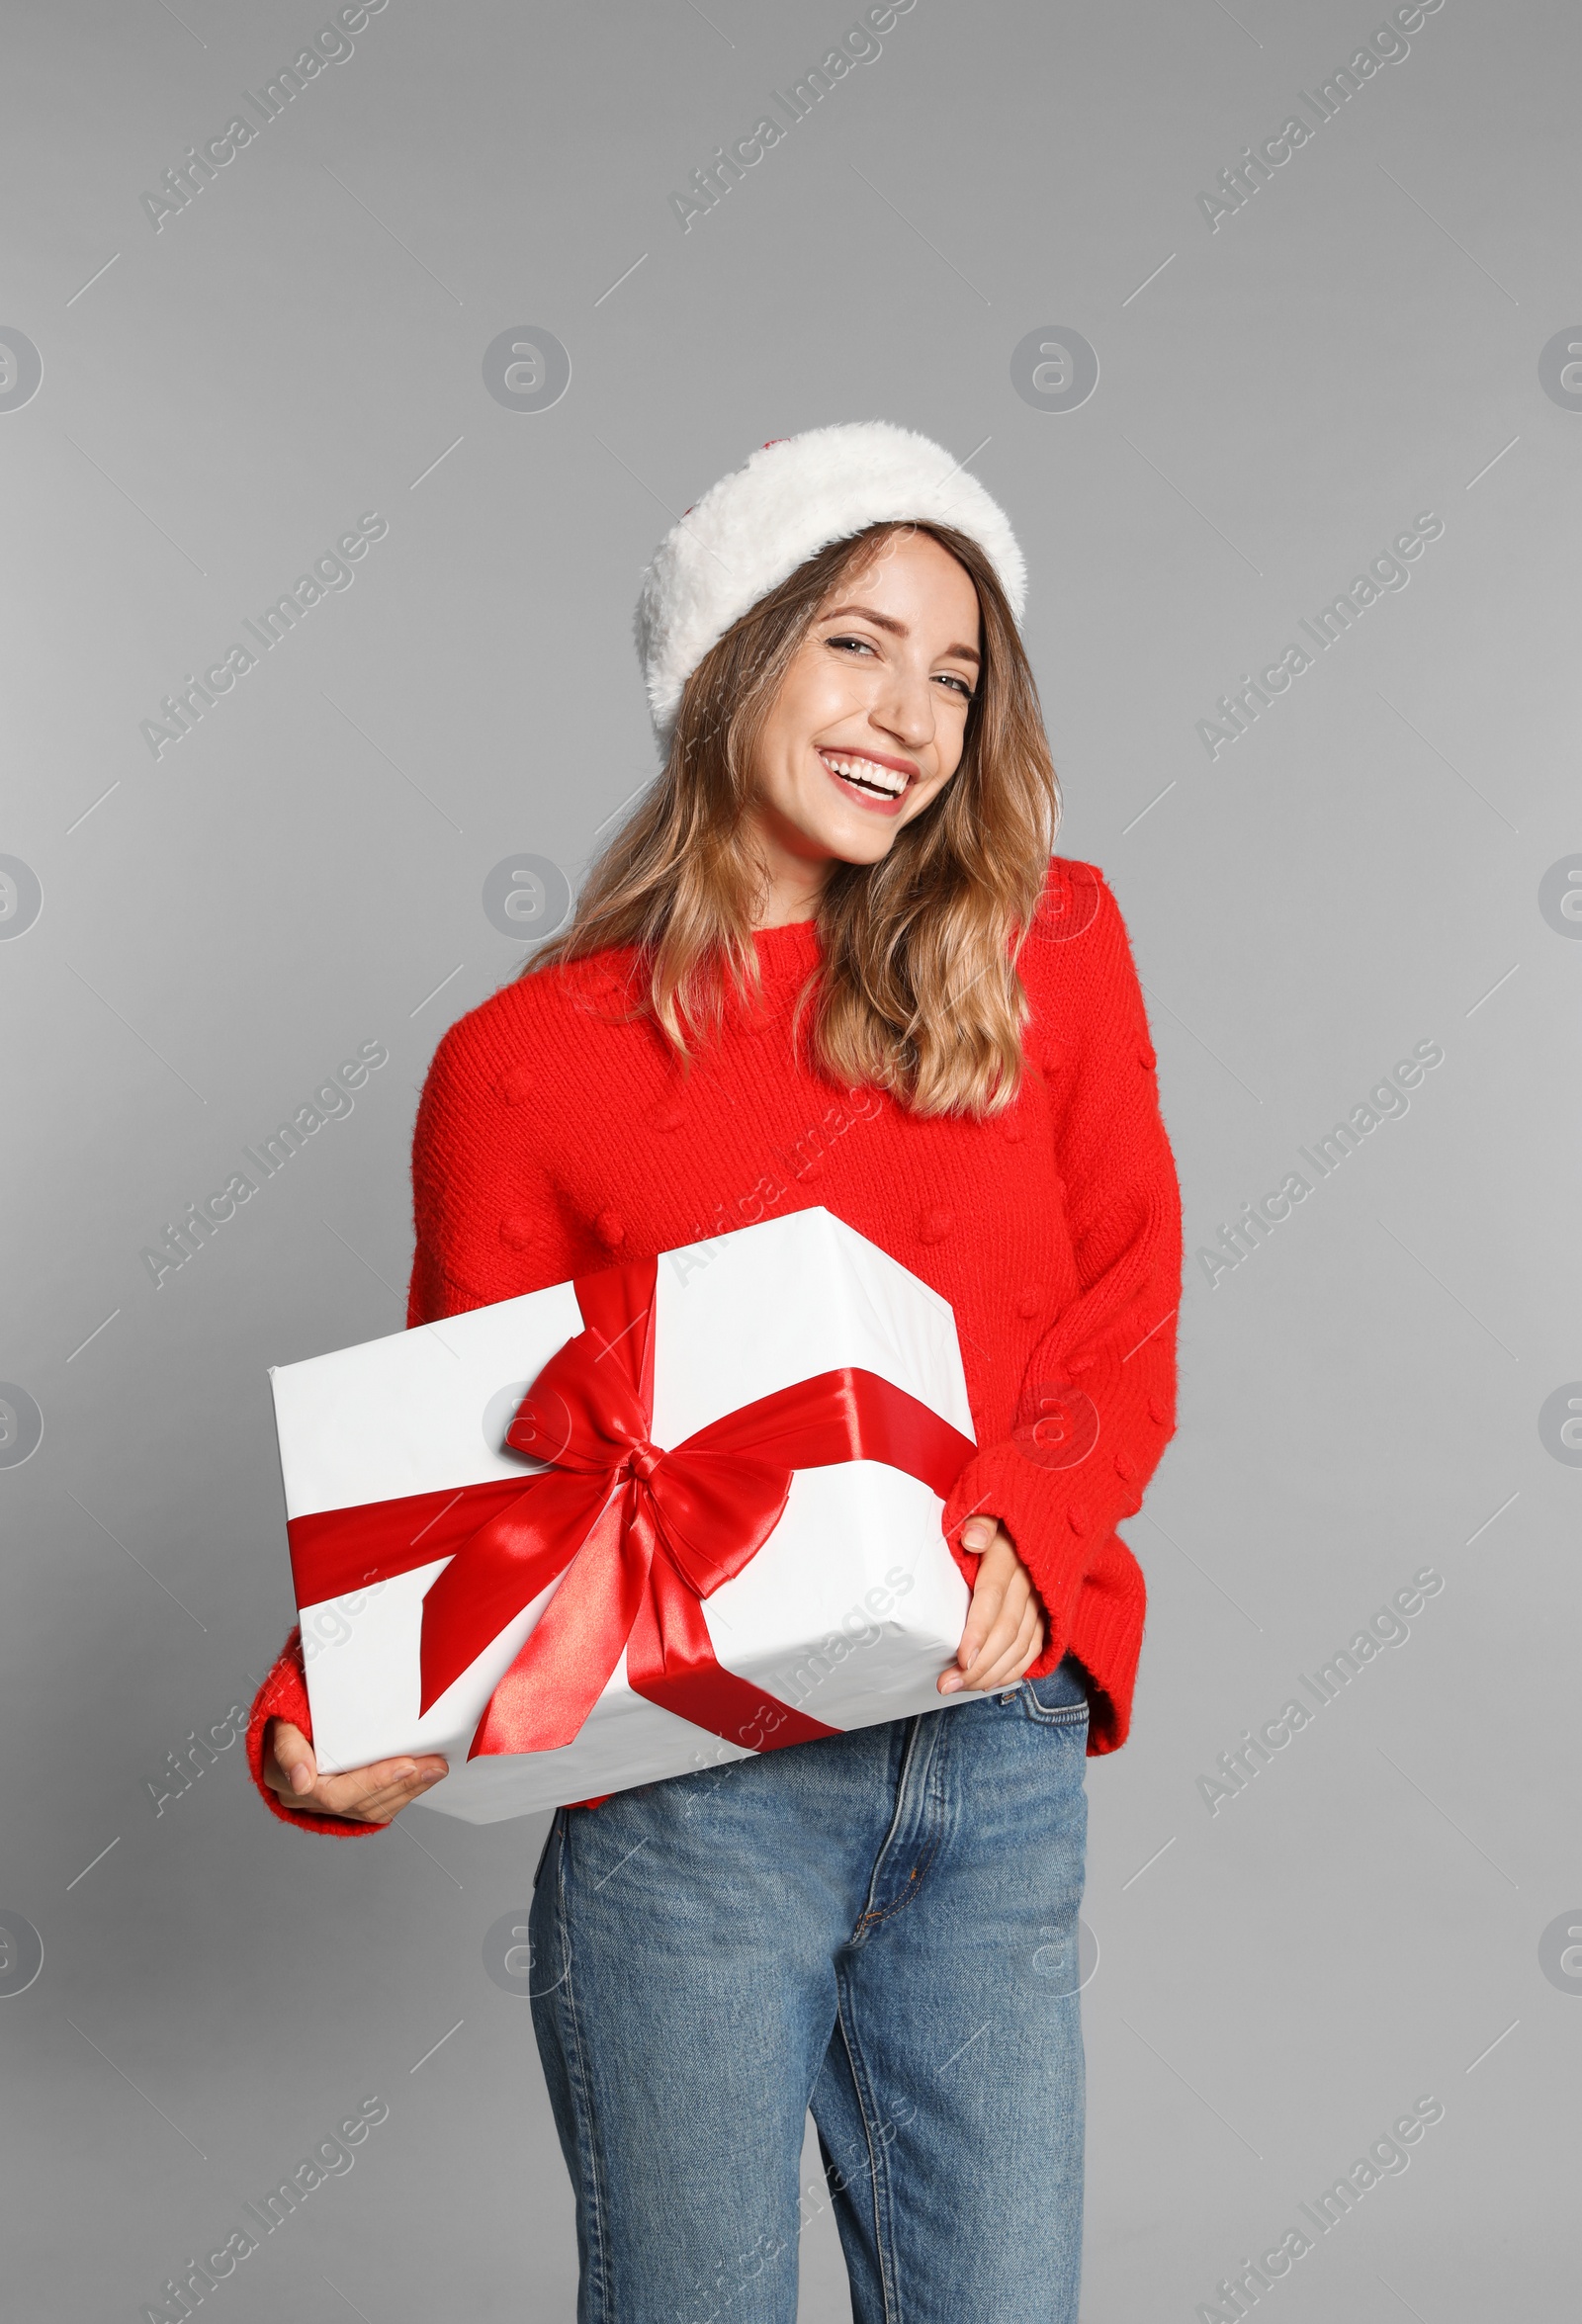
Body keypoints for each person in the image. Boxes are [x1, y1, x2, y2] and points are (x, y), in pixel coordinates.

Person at [246, 422, 1183, 2324]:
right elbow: (487, 1455)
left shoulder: (1046, 946)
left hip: (990, 1760)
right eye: (856, 643)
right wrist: (325, 1699)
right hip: (692, 1799)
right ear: (732, 657)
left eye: (957, 674)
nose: (910, 715)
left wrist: (1036, 1518)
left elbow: (1123, 1304)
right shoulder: (523, 1063)